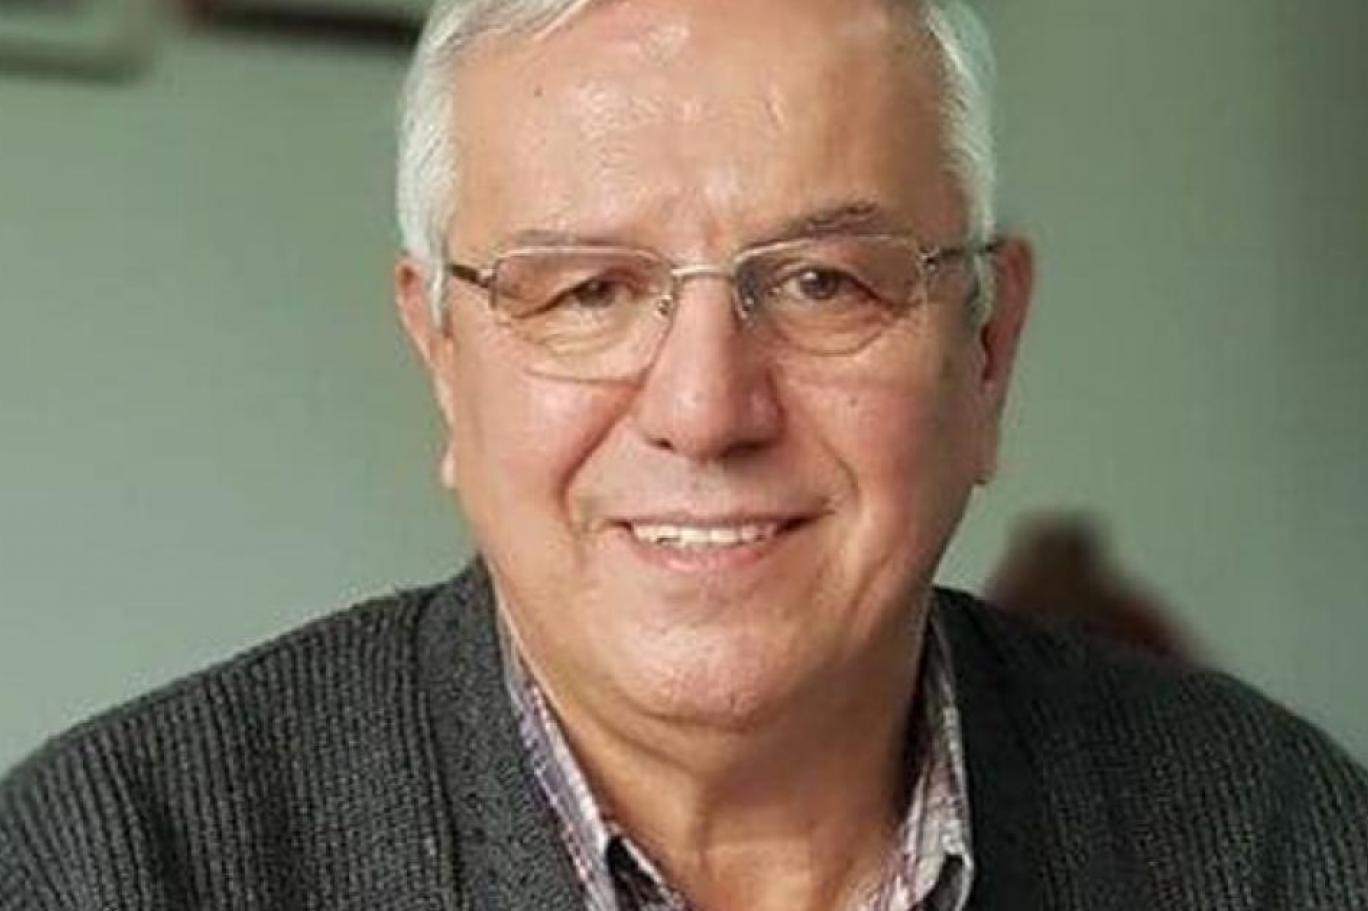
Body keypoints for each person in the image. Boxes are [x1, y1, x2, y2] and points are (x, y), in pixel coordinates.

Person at [2, 0, 1365, 908]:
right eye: (586, 291)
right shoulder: (110, 867)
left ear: (989, 349)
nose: (705, 410)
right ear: (444, 361)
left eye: (826, 282)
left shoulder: (1273, 842)